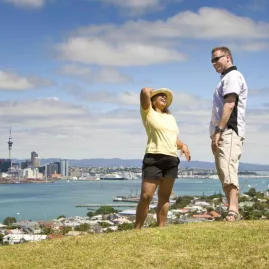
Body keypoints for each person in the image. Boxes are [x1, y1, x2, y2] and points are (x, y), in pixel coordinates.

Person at [135, 87, 191, 229]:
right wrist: (146, 90)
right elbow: (143, 94)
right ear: (153, 100)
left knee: (164, 197)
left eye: (165, 97)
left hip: (171, 159)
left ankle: (161, 228)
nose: (164, 98)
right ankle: (137, 228)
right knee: (146, 196)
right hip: (154, 157)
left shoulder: (170, 118)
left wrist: (183, 145)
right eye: (160, 95)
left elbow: (173, 138)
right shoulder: (148, 113)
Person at [209, 47, 248, 221]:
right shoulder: (225, 78)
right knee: (223, 171)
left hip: (229, 131)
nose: (214, 63)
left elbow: (229, 104)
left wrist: (219, 131)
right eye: (212, 61)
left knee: (228, 169)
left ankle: (233, 210)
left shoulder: (232, 76)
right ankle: (233, 209)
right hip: (222, 132)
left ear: (228, 57)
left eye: (217, 59)